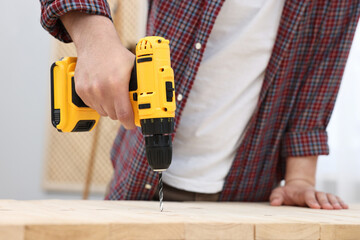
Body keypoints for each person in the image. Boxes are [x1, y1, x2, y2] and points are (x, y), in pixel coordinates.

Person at [40, 0, 360, 209]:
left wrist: (300, 179)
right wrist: (96, 40)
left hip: (250, 196)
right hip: (139, 182)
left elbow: (319, 75)